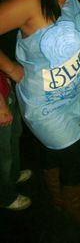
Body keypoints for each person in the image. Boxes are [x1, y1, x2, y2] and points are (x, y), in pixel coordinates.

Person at [0, 0, 80, 225]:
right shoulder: (32, 1)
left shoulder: (71, 1)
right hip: (45, 106)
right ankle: (73, 206)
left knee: (55, 154)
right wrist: (11, 69)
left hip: (71, 99)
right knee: (74, 155)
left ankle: (56, 199)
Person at [0, 60, 32, 211]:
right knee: (2, 154)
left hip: (4, 91)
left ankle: (12, 176)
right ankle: (6, 197)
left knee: (14, 137)